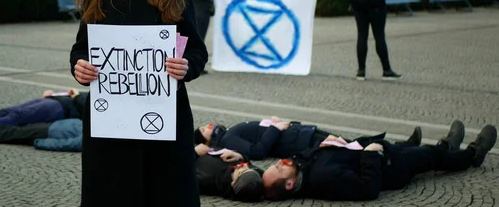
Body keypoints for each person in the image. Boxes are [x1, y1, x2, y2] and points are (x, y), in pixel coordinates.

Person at [69, 0, 208, 207]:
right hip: (110, 127)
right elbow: (80, 50)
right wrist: (80, 67)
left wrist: (186, 65)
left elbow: (197, 51)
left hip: (164, 124)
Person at [262, 121, 497, 201]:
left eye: (276, 164)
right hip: (390, 169)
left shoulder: (298, 167)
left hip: (373, 152)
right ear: (290, 185)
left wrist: (327, 143)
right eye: (278, 168)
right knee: (428, 156)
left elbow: (307, 155)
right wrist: (370, 154)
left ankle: (446, 147)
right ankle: (472, 155)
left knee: (412, 149)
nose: (281, 162)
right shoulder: (324, 179)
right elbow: (368, 188)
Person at [194, 116, 422, 160]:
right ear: (206, 142)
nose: (209, 126)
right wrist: (278, 128)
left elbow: (260, 136)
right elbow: (258, 152)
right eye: (204, 129)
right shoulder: (226, 140)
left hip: (301, 134)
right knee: (356, 149)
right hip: (299, 142)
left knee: (353, 142)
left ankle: (402, 146)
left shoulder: (230, 133)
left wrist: (273, 123)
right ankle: (405, 149)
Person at [194, 144, 264, 202]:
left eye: (242, 171)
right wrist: (240, 156)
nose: (245, 165)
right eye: (249, 168)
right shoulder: (253, 176)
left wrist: (194, 153)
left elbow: (184, 175)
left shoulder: (207, 179)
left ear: (233, 183)